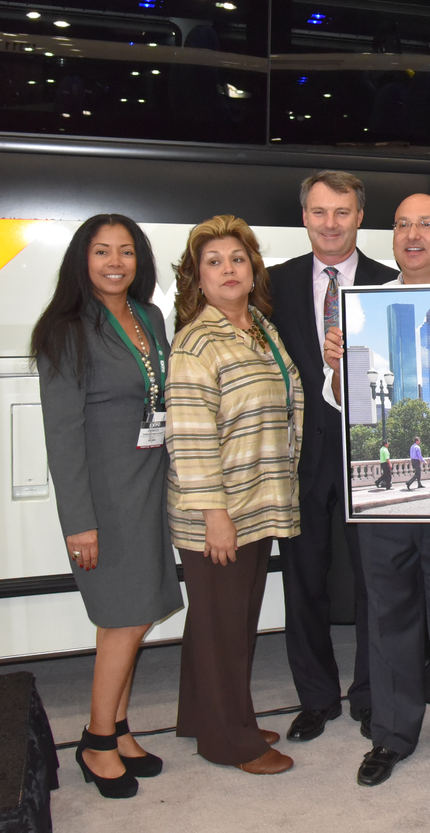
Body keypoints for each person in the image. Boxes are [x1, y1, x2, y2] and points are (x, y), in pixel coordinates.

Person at [317, 192, 430, 789]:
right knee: (387, 616)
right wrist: (341, 369)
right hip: (384, 508)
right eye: (401, 225)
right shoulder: (364, 307)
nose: (412, 235)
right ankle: (390, 735)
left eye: (427, 224)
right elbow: (344, 404)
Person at [33, 214, 185, 799]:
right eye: (102, 252)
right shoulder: (66, 330)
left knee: (137, 613)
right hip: (106, 497)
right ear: (82, 259)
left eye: (125, 251)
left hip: (149, 484)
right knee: (122, 619)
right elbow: (62, 436)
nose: (115, 262)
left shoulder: (147, 316)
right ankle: (96, 743)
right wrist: (80, 524)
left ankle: (117, 728)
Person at [264, 171, 397, 742]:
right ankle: (316, 698)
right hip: (299, 461)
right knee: (304, 581)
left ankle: (371, 693)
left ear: (360, 216)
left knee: (377, 583)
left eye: (342, 212)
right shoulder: (271, 285)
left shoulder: (390, 283)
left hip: (370, 455)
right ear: (304, 217)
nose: (330, 224)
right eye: (319, 212)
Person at [166, 215, 301, 776]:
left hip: (257, 500)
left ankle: (203, 716)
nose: (228, 269)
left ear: (252, 270)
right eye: (214, 262)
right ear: (198, 277)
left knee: (220, 621)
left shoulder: (260, 328)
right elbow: (191, 436)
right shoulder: (197, 340)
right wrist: (214, 516)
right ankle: (231, 741)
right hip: (220, 511)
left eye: (237, 259)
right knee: (225, 626)